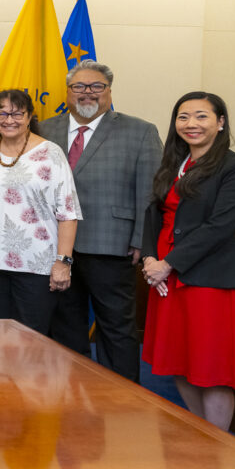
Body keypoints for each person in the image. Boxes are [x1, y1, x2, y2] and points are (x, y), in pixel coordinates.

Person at [141, 92, 235, 431]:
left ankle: (218, 444)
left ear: (220, 123)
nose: (191, 124)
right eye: (183, 117)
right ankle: (200, 434)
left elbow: (220, 226)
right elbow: (153, 216)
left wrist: (169, 263)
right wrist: (149, 259)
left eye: (202, 116)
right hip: (163, 278)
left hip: (206, 278)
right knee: (179, 361)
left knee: (212, 369)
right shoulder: (173, 164)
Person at [44, 60, 162, 383]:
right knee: (65, 324)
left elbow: (151, 193)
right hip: (54, 247)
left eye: (96, 86)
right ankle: (72, 392)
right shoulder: (44, 129)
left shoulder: (140, 131)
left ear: (109, 91)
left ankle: (122, 397)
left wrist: (141, 240)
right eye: (79, 87)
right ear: (67, 92)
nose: (87, 93)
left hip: (112, 244)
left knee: (116, 328)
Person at [0, 89, 80, 336]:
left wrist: (63, 261)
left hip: (37, 264)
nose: (9, 119)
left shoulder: (51, 153)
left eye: (16, 113)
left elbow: (67, 211)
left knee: (31, 338)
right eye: (2, 113)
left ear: (29, 117)